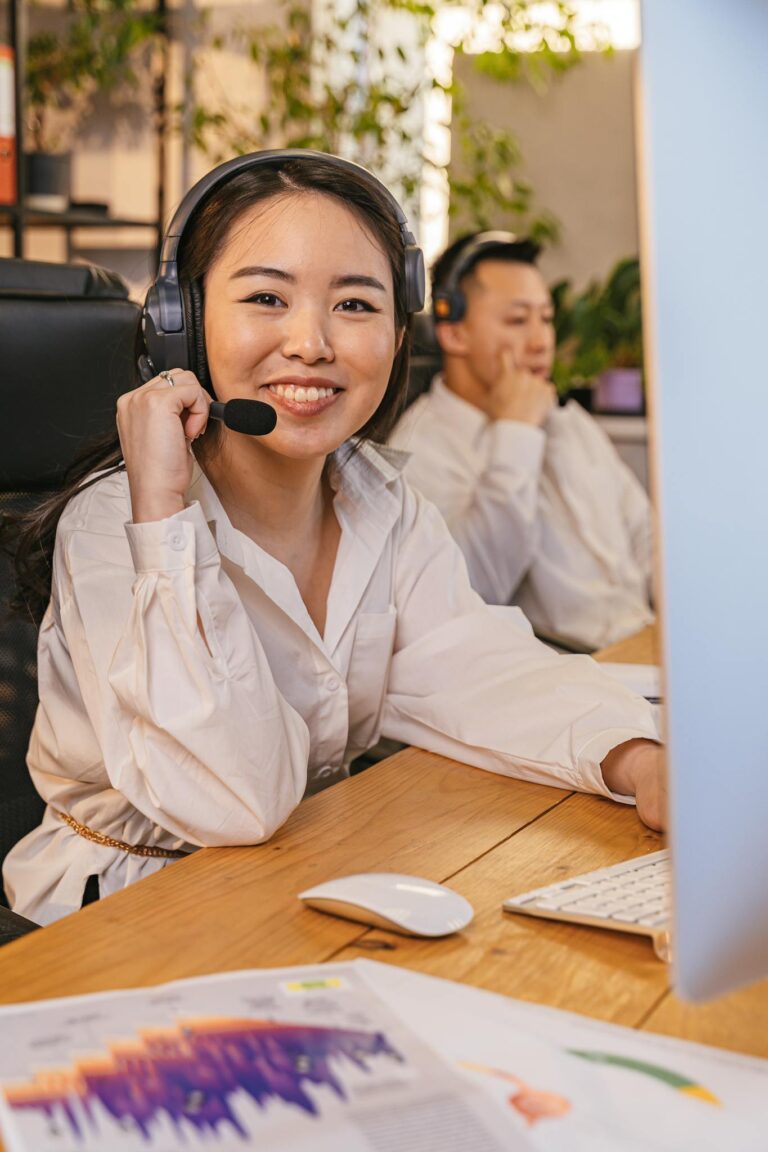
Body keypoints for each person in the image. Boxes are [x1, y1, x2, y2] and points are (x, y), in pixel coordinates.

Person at [3, 152, 663, 927]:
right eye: (265, 297)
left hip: (306, 874)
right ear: (180, 326)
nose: (312, 342)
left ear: (397, 332)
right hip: (119, 915)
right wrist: (163, 512)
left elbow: (482, 671)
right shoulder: (117, 527)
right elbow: (234, 798)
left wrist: (640, 761)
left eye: (354, 304)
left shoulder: (385, 505)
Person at [389, 232, 655, 651]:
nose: (541, 341)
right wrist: (515, 434)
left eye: (546, 318)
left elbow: (646, 537)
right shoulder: (421, 451)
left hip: (646, 651)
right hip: (566, 678)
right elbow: (475, 590)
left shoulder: (569, 422)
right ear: (453, 331)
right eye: (517, 320)